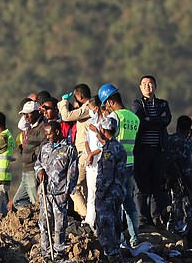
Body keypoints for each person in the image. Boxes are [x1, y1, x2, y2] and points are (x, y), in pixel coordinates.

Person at [101, 84, 140, 247]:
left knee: (115, 203)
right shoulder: (134, 118)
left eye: (105, 105)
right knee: (129, 203)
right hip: (130, 164)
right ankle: (134, 237)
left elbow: (108, 141)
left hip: (117, 167)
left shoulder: (115, 117)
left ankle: (119, 239)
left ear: (110, 102)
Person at [131, 75, 172, 226]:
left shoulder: (163, 104)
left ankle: (156, 218)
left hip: (158, 150)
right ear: (140, 87)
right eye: (145, 84)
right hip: (142, 151)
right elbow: (139, 121)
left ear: (155, 86)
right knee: (141, 187)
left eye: (151, 84)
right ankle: (142, 219)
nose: (148, 87)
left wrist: (150, 119)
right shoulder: (137, 104)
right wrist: (156, 120)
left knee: (157, 186)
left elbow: (166, 120)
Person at [35, 121, 78, 258]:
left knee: (59, 223)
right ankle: (45, 251)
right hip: (45, 191)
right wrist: (40, 171)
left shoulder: (69, 149)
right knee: (44, 222)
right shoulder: (45, 148)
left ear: (57, 132)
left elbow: (73, 171)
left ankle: (58, 251)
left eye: (49, 134)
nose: (47, 137)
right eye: (46, 134)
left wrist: (67, 191)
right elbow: (38, 164)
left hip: (60, 192)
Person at [163, 115, 192, 250]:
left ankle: (181, 243)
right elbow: (190, 171)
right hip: (183, 187)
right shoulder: (186, 145)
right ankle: (182, 245)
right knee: (183, 216)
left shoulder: (169, 140)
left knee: (176, 215)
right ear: (189, 130)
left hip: (173, 186)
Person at [94, 116, 128, 261]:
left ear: (103, 130)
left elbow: (107, 176)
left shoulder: (109, 150)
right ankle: (115, 252)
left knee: (106, 224)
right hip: (118, 192)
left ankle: (111, 255)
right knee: (115, 222)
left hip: (108, 194)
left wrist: (100, 194)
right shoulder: (119, 147)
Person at [58, 84, 92, 217]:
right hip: (83, 152)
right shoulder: (86, 108)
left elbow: (66, 116)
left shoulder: (88, 107)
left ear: (80, 96)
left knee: (73, 186)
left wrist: (64, 102)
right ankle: (87, 216)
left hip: (84, 152)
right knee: (84, 188)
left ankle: (87, 216)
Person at [13, 101, 47, 209]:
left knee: (36, 202)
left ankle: (39, 223)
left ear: (37, 113)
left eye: (28, 113)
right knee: (18, 201)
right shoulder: (31, 127)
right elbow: (21, 124)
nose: (26, 116)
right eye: (24, 114)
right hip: (26, 169)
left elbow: (43, 147)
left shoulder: (42, 127)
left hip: (33, 169)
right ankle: (32, 219)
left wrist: (34, 156)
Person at [83, 97, 104, 228]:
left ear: (96, 108)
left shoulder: (105, 123)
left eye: (91, 109)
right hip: (90, 162)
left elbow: (104, 144)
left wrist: (92, 154)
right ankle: (89, 220)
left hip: (100, 161)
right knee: (90, 193)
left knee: (99, 193)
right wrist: (88, 154)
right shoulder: (91, 121)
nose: (91, 112)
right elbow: (86, 140)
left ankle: (100, 220)